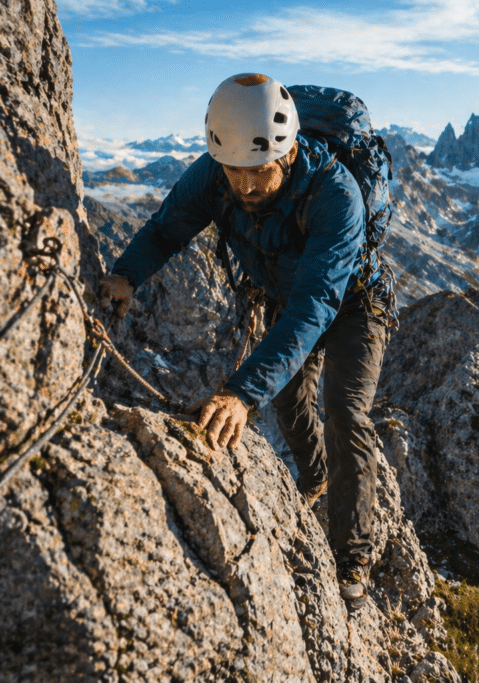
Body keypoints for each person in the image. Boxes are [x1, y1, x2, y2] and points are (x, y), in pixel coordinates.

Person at [98, 73, 394, 610]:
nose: (246, 187)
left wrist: (239, 392)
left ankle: (352, 561)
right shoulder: (213, 177)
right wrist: (126, 275)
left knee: (346, 412)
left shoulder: (335, 198)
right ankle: (316, 475)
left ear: (288, 154)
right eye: (235, 173)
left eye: (259, 173)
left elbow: (314, 308)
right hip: (289, 292)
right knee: (288, 399)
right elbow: (167, 229)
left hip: (352, 302)